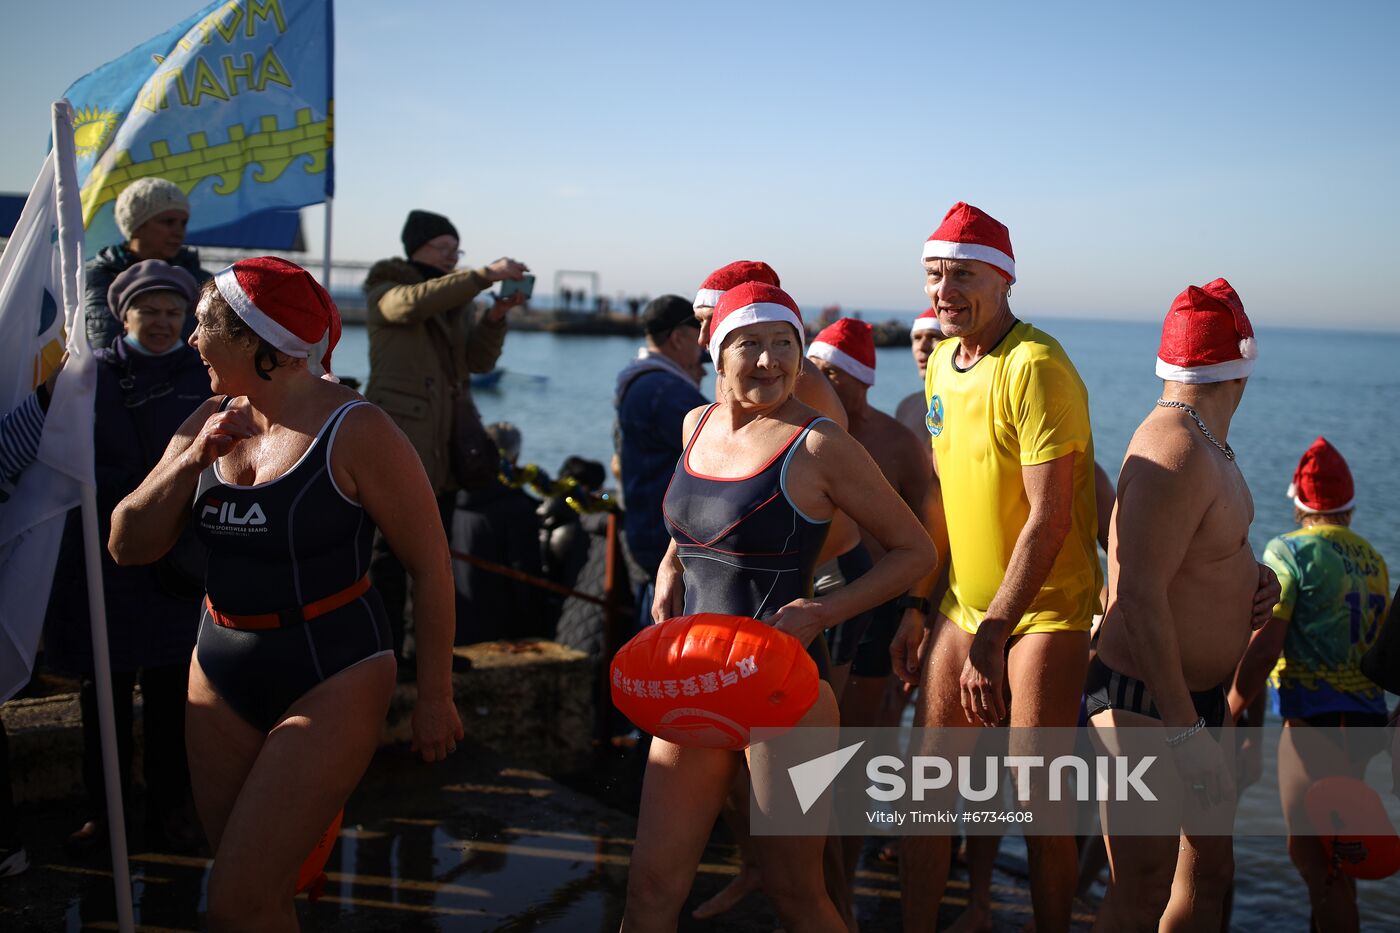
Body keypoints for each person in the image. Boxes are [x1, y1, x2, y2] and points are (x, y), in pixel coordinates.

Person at [109, 257, 463, 930]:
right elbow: (127, 543)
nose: (190, 337)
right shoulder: (210, 417)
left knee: (235, 900)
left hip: (332, 668)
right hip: (218, 663)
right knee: (258, 890)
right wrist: (190, 461)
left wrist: (436, 695)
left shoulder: (358, 430)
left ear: (261, 344)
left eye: (207, 322)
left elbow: (431, 563)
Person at [624, 281, 934, 932]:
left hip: (784, 691)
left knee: (796, 891)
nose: (769, 360)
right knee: (652, 885)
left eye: (783, 344)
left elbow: (914, 550)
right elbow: (695, 518)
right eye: (750, 344)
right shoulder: (696, 423)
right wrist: (670, 562)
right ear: (717, 352)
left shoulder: (818, 444)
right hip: (695, 679)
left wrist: (825, 611)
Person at [890, 202, 1101, 933]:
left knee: (1037, 806)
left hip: (1044, 612)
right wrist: (920, 605)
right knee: (926, 795)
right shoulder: (944, 362)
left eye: (963, 274)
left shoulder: (1037, 366)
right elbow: (946, 498)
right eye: (934, 274)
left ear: (1005, 280)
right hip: (961, 605)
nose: (945, 289)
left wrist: (997, 630)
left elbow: (1052, 515)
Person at [1086, 278, 1273, 932]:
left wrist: (1252, 580)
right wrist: (1185, 733)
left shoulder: (1208, 444)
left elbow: (1197, 556)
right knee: (1141, 885)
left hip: (1191, 700)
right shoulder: (1176, 447)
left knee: (1209, 871)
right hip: (1148, 699)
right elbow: (1136, 594)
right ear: (1241, 370)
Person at [45, 261, 211, 855]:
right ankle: (105, 813)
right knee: (104, 697)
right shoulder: (88, 375)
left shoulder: (206, 377)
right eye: (151, 311)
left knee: (174, 698)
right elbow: (62, 458)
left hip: (178, 560)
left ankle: (173, 810)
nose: (163, 323)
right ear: (123, 314)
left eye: (175, 312)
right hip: (102, 557)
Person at [1228, 437, 1390, 933]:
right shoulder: (1374, 559)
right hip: (1365, 719)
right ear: (1350, 502)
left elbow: (1264, 649)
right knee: (1340, 851)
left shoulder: (1289, 552)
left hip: (1317, 720)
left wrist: (1230, 709)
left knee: (1312, 857)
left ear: (1299, 500)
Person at [362, 209, 529, 671]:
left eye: (457, 250)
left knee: (434, 563)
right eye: (443, 248)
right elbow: (409, 305)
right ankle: (384, 653)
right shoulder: (385, 291)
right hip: (398, 445)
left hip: (447, 449)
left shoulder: (457, 301)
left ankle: (429, 656)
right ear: (414, 247)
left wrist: (495, 316)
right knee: (388, 561)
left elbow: (477, 360)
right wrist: (482, 276)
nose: (452, 257)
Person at [613, 295, 706, 614]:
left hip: (642, 523)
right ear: (678, 338)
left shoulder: (636, 379)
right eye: (698, 336)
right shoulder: (667, 391)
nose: (702, 345)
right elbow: (717, 446)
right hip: (664, 533)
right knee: (667, 621)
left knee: (652, 611)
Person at [84, 177, 212, 351]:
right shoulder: (92, 279)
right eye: (168, 222)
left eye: (183, 223)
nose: (178, 232)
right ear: (137, 225)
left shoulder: (202, 284)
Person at [450, 422, 547, 643]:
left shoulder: (447, 499)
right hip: (497, 628)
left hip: (452, 621)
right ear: (515, 457)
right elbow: (525, 575)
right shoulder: (516, 508)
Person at [895, 308, 942, 438]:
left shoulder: (971, 401)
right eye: (917, 338)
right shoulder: (907, 408)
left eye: (933, 336)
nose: (921, 346)